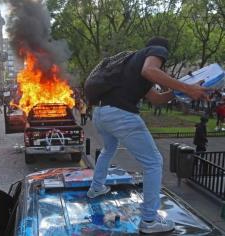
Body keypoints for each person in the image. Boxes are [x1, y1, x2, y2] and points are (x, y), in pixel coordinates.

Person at [86, 37, 210, 234]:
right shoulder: (157, 50)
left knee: (108, 149)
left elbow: (157, 98)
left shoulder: (129, 65)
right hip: (120, 114)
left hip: (100, 114)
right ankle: (150, 221)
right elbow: (150, 70)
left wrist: (184, 89)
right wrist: (187, 87)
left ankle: (96, 188)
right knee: (153, 162)